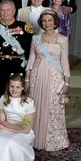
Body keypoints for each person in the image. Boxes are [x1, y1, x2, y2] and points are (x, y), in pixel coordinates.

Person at [26, 10, 70, 151]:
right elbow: (31, 59)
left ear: (55, 22)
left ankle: (52, 140)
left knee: (53, 108)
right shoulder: (35, 38)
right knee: (35, 106)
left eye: (50, 20)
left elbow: (65, 61)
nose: (47, 23)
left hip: (55, 77)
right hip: (37, 76)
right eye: (44, 21)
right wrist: (27, 78)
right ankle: (33, 138)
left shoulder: (63, 39)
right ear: (41, 22)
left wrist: (67, 82)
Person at [0, 0, 33, 94]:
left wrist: (27, 69)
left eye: (8, 10)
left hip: (17, 67)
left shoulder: (24, 27)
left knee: (16, 95)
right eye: (2, 10)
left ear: (14, 11)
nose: (5, 13)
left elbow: (29, 51)